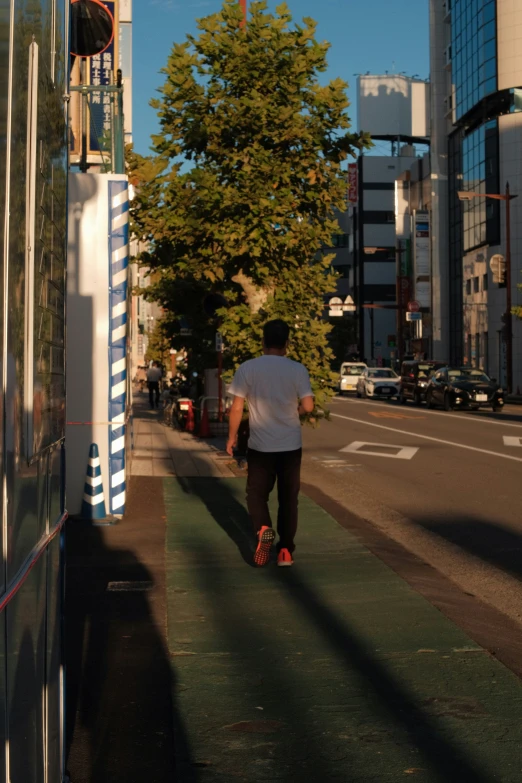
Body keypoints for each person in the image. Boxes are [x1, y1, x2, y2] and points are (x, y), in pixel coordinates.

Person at [226, 319, 314, 567]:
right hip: (290, 445)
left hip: (260, 445)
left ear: (263, 342)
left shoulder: (248, 368)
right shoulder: (297, 369)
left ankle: (263, 528)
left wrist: (232, 438)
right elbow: (308, 406)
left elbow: (237, 407)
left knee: (256, 495)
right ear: (287, 343)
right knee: (288, 499)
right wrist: (295, 409)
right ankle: (285, 552)